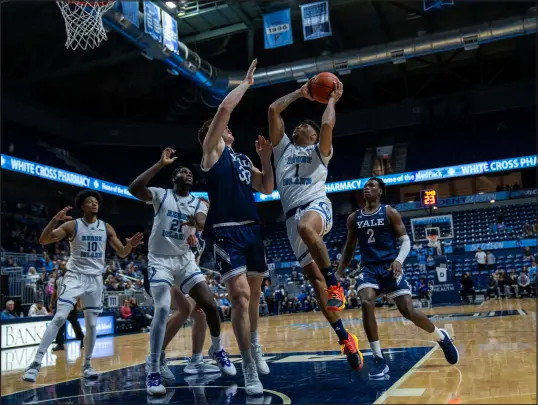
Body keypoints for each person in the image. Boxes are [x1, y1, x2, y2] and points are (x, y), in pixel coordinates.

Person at [267, 78, 362, 370]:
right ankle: (346, 338)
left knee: (307, 229)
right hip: (290, 217)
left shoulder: (320, 151)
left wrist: (330, 100)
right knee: (316, 285)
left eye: (304, 127)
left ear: (312, 134)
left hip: (315, 206)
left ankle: (337, 285)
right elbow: (273, 110)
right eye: (296, 127)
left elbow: (327, 127)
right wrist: (300, 93)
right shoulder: (282, 149)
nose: (298, 129)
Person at [129, 150, 235, 396]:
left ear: (193, 181)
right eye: (180, 171)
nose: (185, 173)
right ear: (173, 178)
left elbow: (201, 221)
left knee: (209, 305)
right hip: (160, 261)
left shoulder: (199, 203)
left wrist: (198, 223)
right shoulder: (161, 195)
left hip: (185, 262)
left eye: (189, 172)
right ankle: (153, 368)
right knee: (165, 308)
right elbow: (134, 188)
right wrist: (159, 163)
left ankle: (216, 349)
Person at [197, 59, 273, 395]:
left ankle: (254, 346)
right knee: (240, 297)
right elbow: (226, 107)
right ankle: (247, 367)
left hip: (252, 229)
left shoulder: (242, 160)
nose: (230, 129)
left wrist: (266, 158)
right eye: (224, 127)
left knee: (254, 295)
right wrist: (246, 83)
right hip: (226, 231)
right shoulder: (211, 152)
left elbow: (268, 188)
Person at [337, 177, 459, 379]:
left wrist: (399, 260)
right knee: (367, 302)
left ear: (380, 192)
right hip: (369, 269)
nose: (367, 189)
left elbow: (405, 241)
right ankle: (378, 358)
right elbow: (349, 247)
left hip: (390, 266)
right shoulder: (354, 218)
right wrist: (340, 272)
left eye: (372, 186)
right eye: (365, 186)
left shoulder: (389, 212)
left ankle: (441, 337)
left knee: (407, 310)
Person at [23, 190, 143, 382]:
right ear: (82, 206)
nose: (94, 204)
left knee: (92, 324)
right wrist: (55, 219)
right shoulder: (73, 225)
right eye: (89, 201)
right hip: (75, 276)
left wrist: (131, 246)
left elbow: (122, 252)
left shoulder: (106, 227)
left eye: (96, 201)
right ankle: (35, 363)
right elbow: (44, 240)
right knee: (60, 316)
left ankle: (87, 365)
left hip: (95, 279)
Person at [51, 265, 84, 351]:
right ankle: (60, 344)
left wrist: (78, 303)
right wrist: (52, 301)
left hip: (69, 304)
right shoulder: (58, 279)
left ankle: (81, 339)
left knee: (73, 324)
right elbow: (55, 291)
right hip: (62, 304)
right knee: (62, 325)